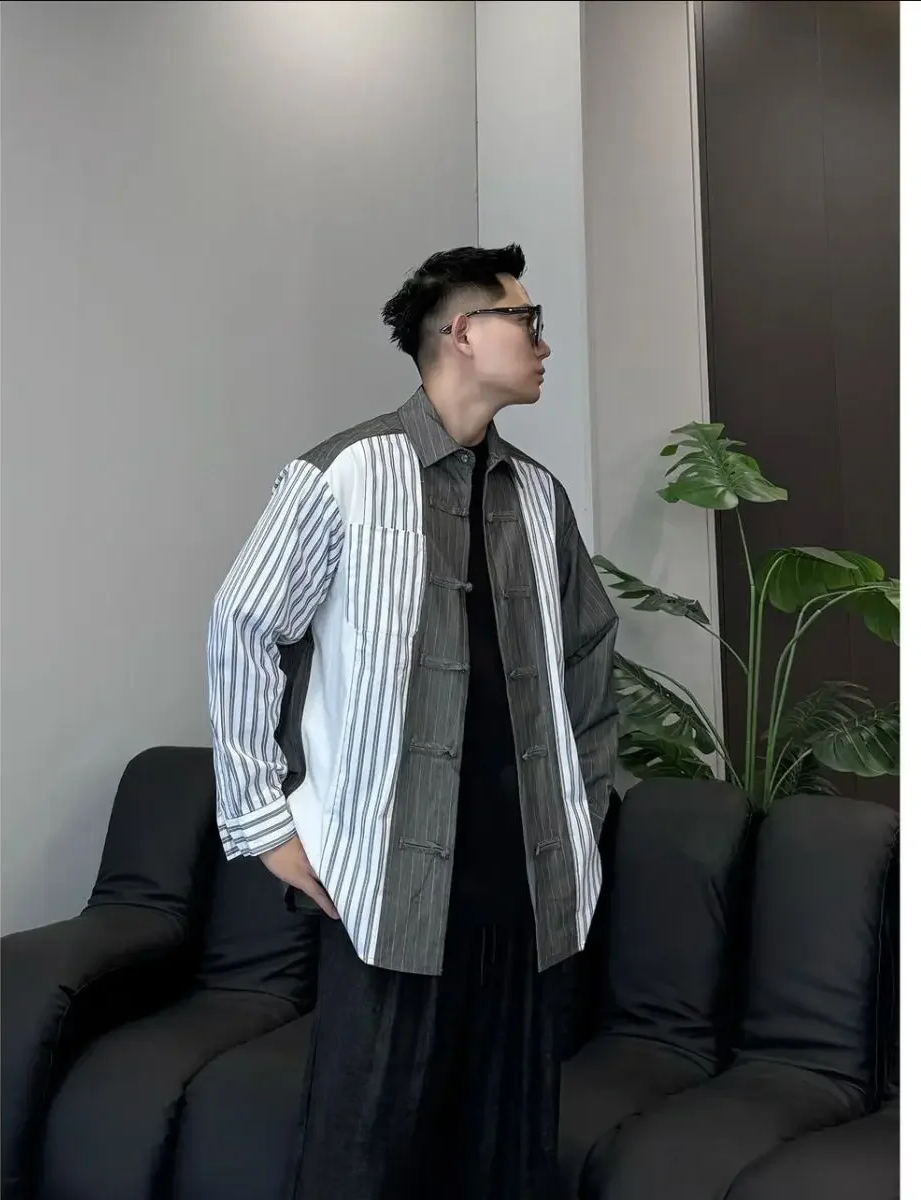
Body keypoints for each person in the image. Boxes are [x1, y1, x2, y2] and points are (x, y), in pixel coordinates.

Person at [207, 244, 618, 1199]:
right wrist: (265, 824)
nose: (544, 342)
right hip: (386, 888)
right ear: (463, 333)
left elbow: (591, 652)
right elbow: (244, 624)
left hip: (526, 888)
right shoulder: (343, 475)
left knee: (507, 1154)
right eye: (527, 320)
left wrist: (584, 806)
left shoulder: (539, 496)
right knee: (366, 1151)